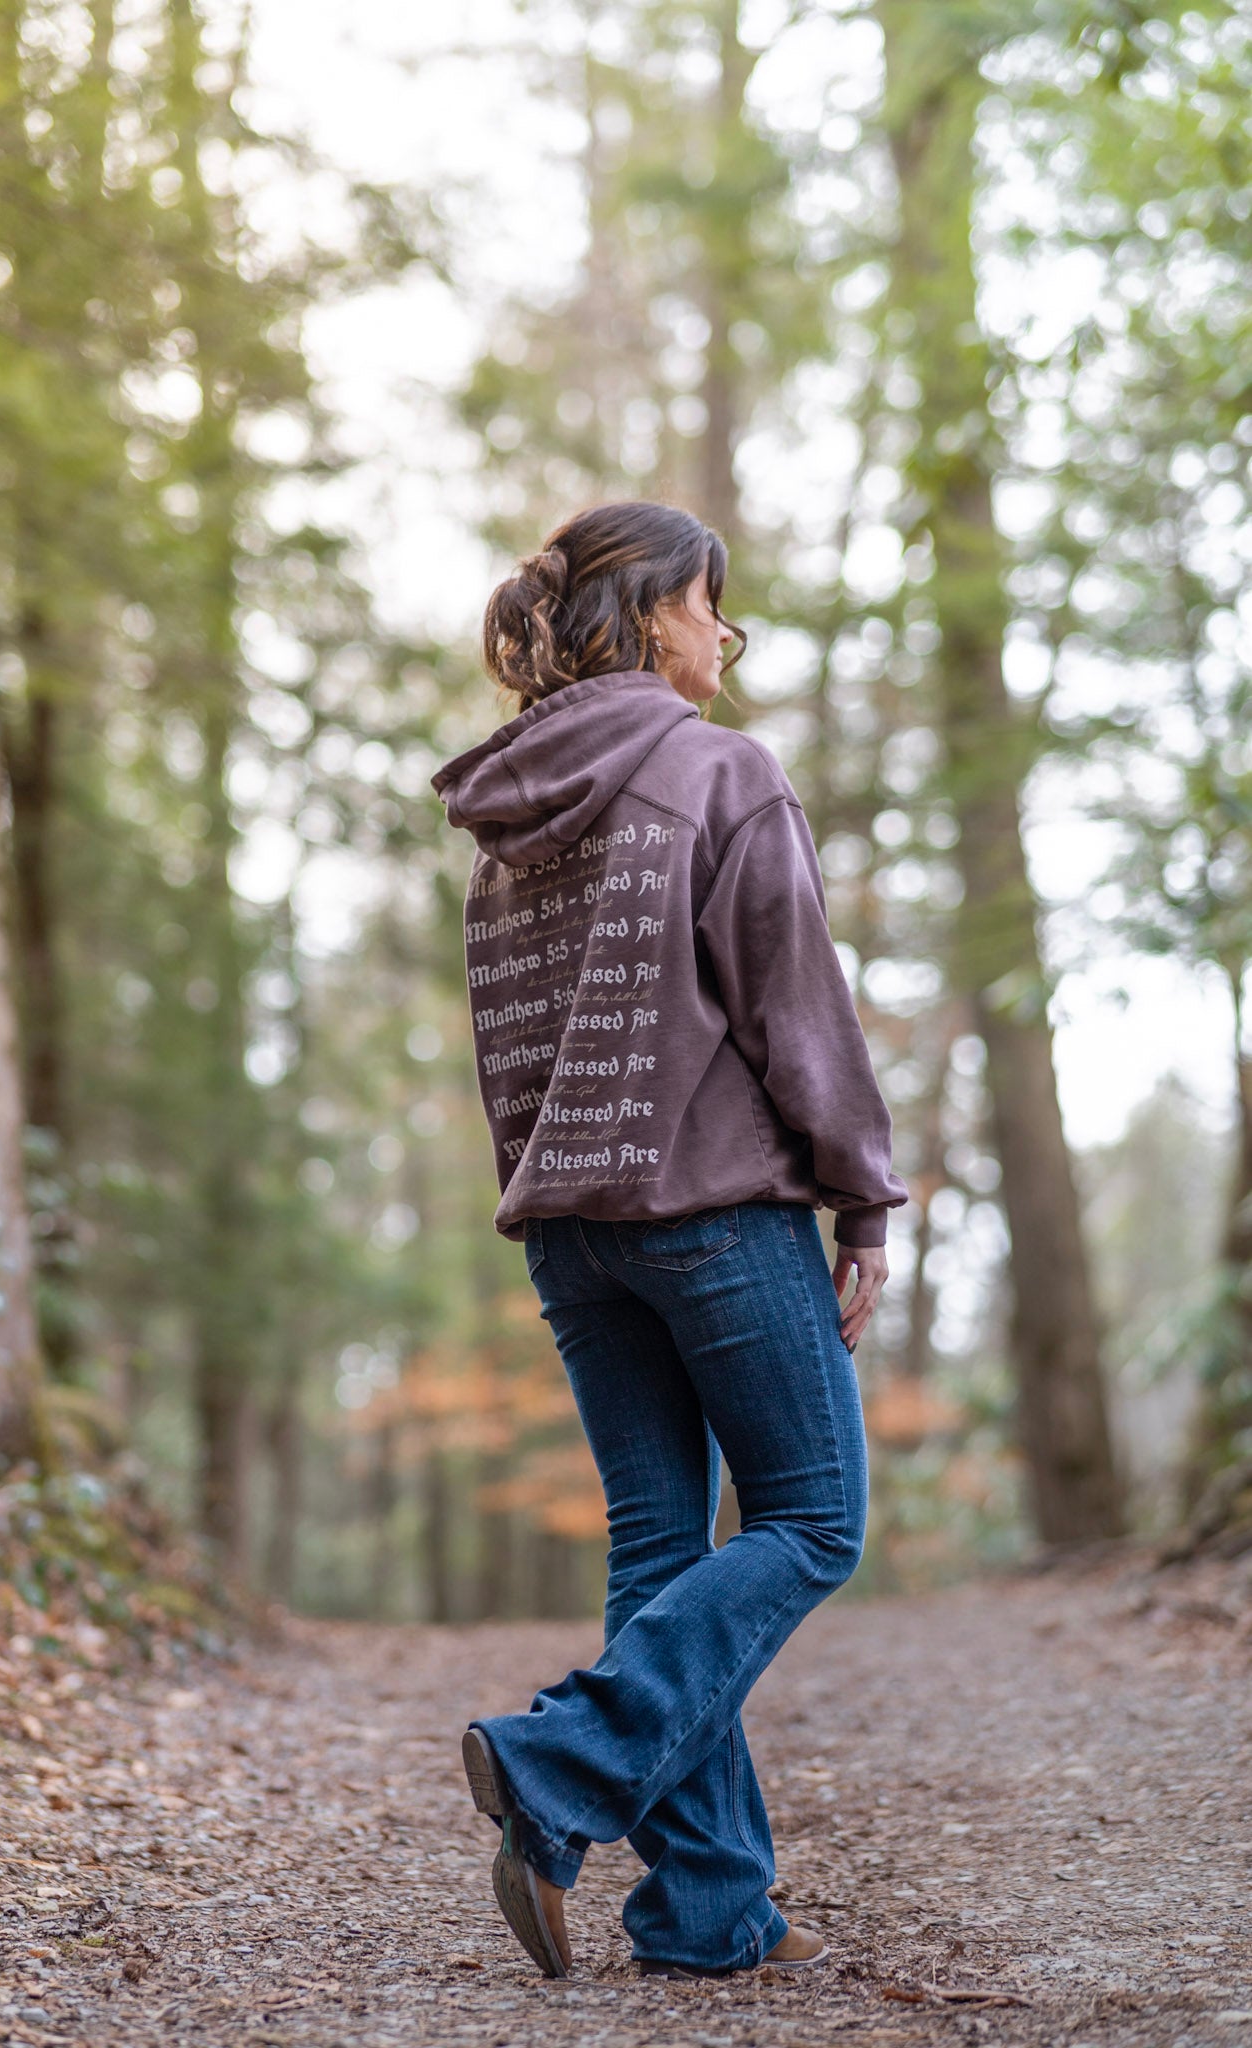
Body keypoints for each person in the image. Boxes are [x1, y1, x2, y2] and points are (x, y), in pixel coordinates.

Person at [429, 500, 907, 1982]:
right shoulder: (719, 773)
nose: (725, 635)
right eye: (714, 607)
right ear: (650, 615)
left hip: (572, 1233)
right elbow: (794, 1013)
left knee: (660, 1545)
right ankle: (561, 1761)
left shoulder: (506, 822)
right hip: (709, 1214)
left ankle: (706, 1911)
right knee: (813, 1518)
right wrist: (861, 1196)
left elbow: (509, 1051)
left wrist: (552, 1205)